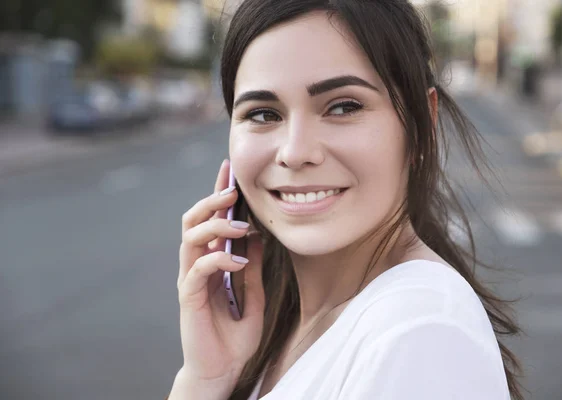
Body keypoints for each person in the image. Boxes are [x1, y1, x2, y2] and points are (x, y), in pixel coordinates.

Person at [168, 0, 523, 399]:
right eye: (264, 114)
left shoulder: (420, 332)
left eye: (343, 107)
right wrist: (205, 380)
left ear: (423, 122)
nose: (295, 151)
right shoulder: (286, 329)